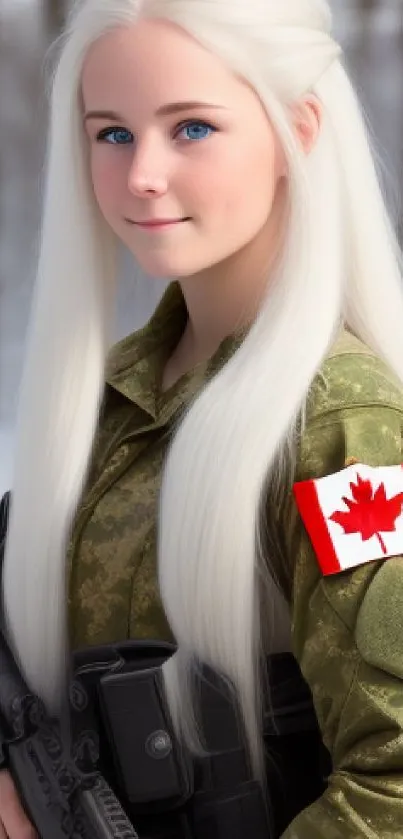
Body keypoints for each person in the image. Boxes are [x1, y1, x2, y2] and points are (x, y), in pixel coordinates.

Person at [2, 0, 403, 836]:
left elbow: (392, 788)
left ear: (298, 129)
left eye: (190, 128)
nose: (142, 173)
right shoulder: (107, 401)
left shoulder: (341, 427)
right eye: (111, 133)